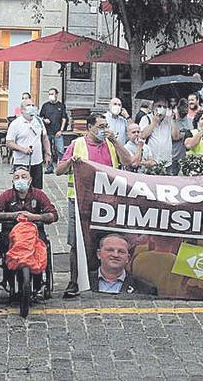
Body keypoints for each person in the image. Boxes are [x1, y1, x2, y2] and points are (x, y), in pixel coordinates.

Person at [55, 113, 137, 298]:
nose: (104, 130)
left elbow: (128, 161)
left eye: (106, 126)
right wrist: (70, 162)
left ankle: (101, 279)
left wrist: (115, 141)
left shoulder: (110, 144)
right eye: (100, 126)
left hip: (106, 202)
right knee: (77, 242)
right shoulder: (78, 145)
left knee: (105, 240)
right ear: (89, 128)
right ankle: (74, 282)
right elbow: (59, 170)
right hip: (79, 201)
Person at [0, 167, 59, 308]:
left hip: (34, 232)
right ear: (12, 181)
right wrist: (13, 215)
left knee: (39, 249)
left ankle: (37, 284)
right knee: (6, 248)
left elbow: (53, 215)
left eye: (24, 176)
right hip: (11, 232)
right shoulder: (7, 195)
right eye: (17, 177)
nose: (20, 180)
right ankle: (9, 282)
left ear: (30, 180)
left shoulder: (39, 195)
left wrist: (35, 217)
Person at [92, 234, 156, 295]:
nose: (115, 255)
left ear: (128, 258)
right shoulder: (83, 282)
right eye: (110, 250)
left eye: (121, 252)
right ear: (99, 254)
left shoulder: (146, 289)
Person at [7, 98, 50, 188]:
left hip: (37, 161)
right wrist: (23, 149)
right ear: (22, 110)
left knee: (37, 189)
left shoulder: (38, 121)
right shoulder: (15, 124)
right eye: (28, 105)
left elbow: (44, 138)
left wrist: (48, 153)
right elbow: (9, 143)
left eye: (32, 105)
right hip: (21, 162)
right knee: (22, 187)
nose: (31, 107)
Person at [138, 98, 182, 171]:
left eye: (164, 107)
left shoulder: (169, 120)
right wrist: (154, 122)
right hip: (150, 162)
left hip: (166, 162)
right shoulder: (146, 118)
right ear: (153, 107)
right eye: (159, 106)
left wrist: (174, 120)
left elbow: (175, 137)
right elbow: (142, 135)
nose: (162, 109)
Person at [39, 88, 69, 170]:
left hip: (57, 132)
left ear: (56, 94)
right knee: (48, 151)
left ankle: (62, 168)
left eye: (52, 94)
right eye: (49, 94)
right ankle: (49, 168)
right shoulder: (45, 106)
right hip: (47, 132)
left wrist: (61, 130)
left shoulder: (61, 106)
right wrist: (44, 120)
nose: (50, 96)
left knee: (60, 150)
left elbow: (64, 119)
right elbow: (40, 117)